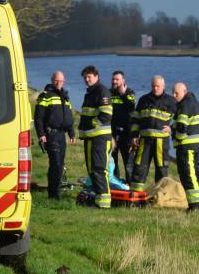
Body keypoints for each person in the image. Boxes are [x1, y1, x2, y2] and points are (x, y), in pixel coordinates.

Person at [128, 75, 177, 194]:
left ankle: (160, 196)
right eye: (153, 86)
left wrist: (172, 128)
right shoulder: (144, 100)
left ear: (164, 86)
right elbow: (135, 119)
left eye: (158, 86)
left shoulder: (171, 101)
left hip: (161, 141)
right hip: (144, 140)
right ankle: (136, 196)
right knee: (139, 167)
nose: (155, 88)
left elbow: (181, 118)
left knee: (161, 169)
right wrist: (134, 136)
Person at [34, 71, 76, 200]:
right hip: (50, 134)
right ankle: (53, 195)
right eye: (57, 80)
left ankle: (55, 191)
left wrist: (72, 133)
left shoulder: (64, 96)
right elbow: (38, 118)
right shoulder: (45, 96)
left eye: (61, 80)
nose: (59, 83)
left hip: (62, 135)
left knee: (60, 164)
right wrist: (41, 134)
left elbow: (68, 117)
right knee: (56, 163)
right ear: (52, 80)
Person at [172, 81, 199, 211]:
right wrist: (197, 128)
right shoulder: (196, 103)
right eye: (173, 93)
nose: (173, 95)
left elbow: (181, 126)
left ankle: (197, 205)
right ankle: (194, 205)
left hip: (186, 146)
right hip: (194, 146)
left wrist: (178, 137)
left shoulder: (184, 105)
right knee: (190, 175)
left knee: (189, 176)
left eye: (176, 93)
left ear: (184, 91)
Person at [78, 65, 113, 209]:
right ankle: (98, 199)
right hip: (90, 137)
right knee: (92, 170)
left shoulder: (102, 91)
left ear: (96, 76)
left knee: (99, 169)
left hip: (100, 138)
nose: (87, 80)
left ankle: (104, 203)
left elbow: (106, 114)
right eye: (85, 77)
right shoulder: (90, 92)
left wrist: (91, 124)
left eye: (89, 77)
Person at [110, 71, 136, 181]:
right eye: (113, 79)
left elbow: (132, 107)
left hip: (126, 133)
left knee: (128, 162)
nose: (114, 81)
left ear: (123, 81)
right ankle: (115, 183)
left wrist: (124, 94)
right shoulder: (109, 93)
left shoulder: (130, 93)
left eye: (117, 79)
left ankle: (130, 184)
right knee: (112, 161)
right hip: (113, 132)